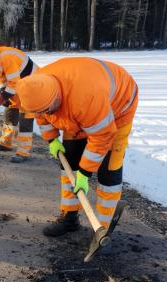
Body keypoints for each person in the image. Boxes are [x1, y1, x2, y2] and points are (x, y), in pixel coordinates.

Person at [15, 57, 138, 237]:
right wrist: (52, 139)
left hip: (119, 105)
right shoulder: (36, 88)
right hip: (79, 105)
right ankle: (69, 219)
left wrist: (85, 173)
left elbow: (102, 135)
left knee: (108, 169)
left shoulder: (85, 97)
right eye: (41, 110)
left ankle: (102, 229)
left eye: (48, 109)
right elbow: (41, 114)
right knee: (69, 162)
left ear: (56, 96)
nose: (45, 114)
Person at [0, 45, 39, 163]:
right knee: (10, 111)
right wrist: (3, 96)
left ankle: (23, 152)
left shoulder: (6, 58)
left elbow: (14, 83)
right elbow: (6, 82)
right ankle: (5, 143)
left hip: (33, 86)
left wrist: (0, 99)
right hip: (20, 85)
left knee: (25, 117)